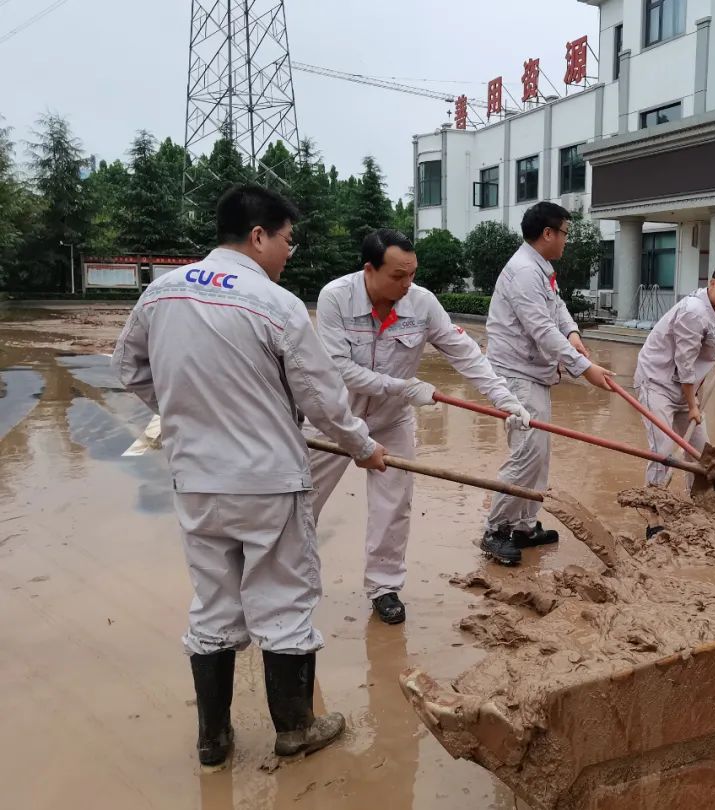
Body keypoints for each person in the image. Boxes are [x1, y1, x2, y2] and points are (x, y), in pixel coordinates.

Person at [112, 184, 387, 770]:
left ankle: (213, 739)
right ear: (259, 236)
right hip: (268, 481)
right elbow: (323, 400)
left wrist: (189, 413)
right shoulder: (276, 304)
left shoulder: (161, 293)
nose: (289, 252)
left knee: (214, 601)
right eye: (287, 240)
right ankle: (296, 729)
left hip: (196, 480)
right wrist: (363, 448)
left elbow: (129, 368)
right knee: (283, 598)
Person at [305, 228, 531, 624]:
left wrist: (505, 398)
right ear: (369, 270)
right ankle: (290, 582)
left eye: (412, 273)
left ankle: (384, 587)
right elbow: (339, 368)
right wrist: (404, 387)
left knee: (393, 506)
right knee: (302, 499)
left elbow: (465, 353)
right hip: (335, 418)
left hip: (391, 420)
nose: (407, 283)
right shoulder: (335, 297)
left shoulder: (422, 303)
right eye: (398, 275)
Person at [480, 201, 615, 565]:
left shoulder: (540, 268)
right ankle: (496, 530)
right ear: (547, 233)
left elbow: (556, 310)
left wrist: (572, 333)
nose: (567, 240)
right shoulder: (525, 272)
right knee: (526, 453)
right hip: (516, 375)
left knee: (538, 455)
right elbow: (541, 330)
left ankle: (524, 526)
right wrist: (584, 368)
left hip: (533, 374)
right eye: (565, 233)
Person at [634, 262, 715, 492]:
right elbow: (684, 365)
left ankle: (698, 502)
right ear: (712, 284)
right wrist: (692, 405)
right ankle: (653, 504)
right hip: (657, 384)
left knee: (701, 452)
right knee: (663, 451)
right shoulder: (694, 312)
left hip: (686, 388)